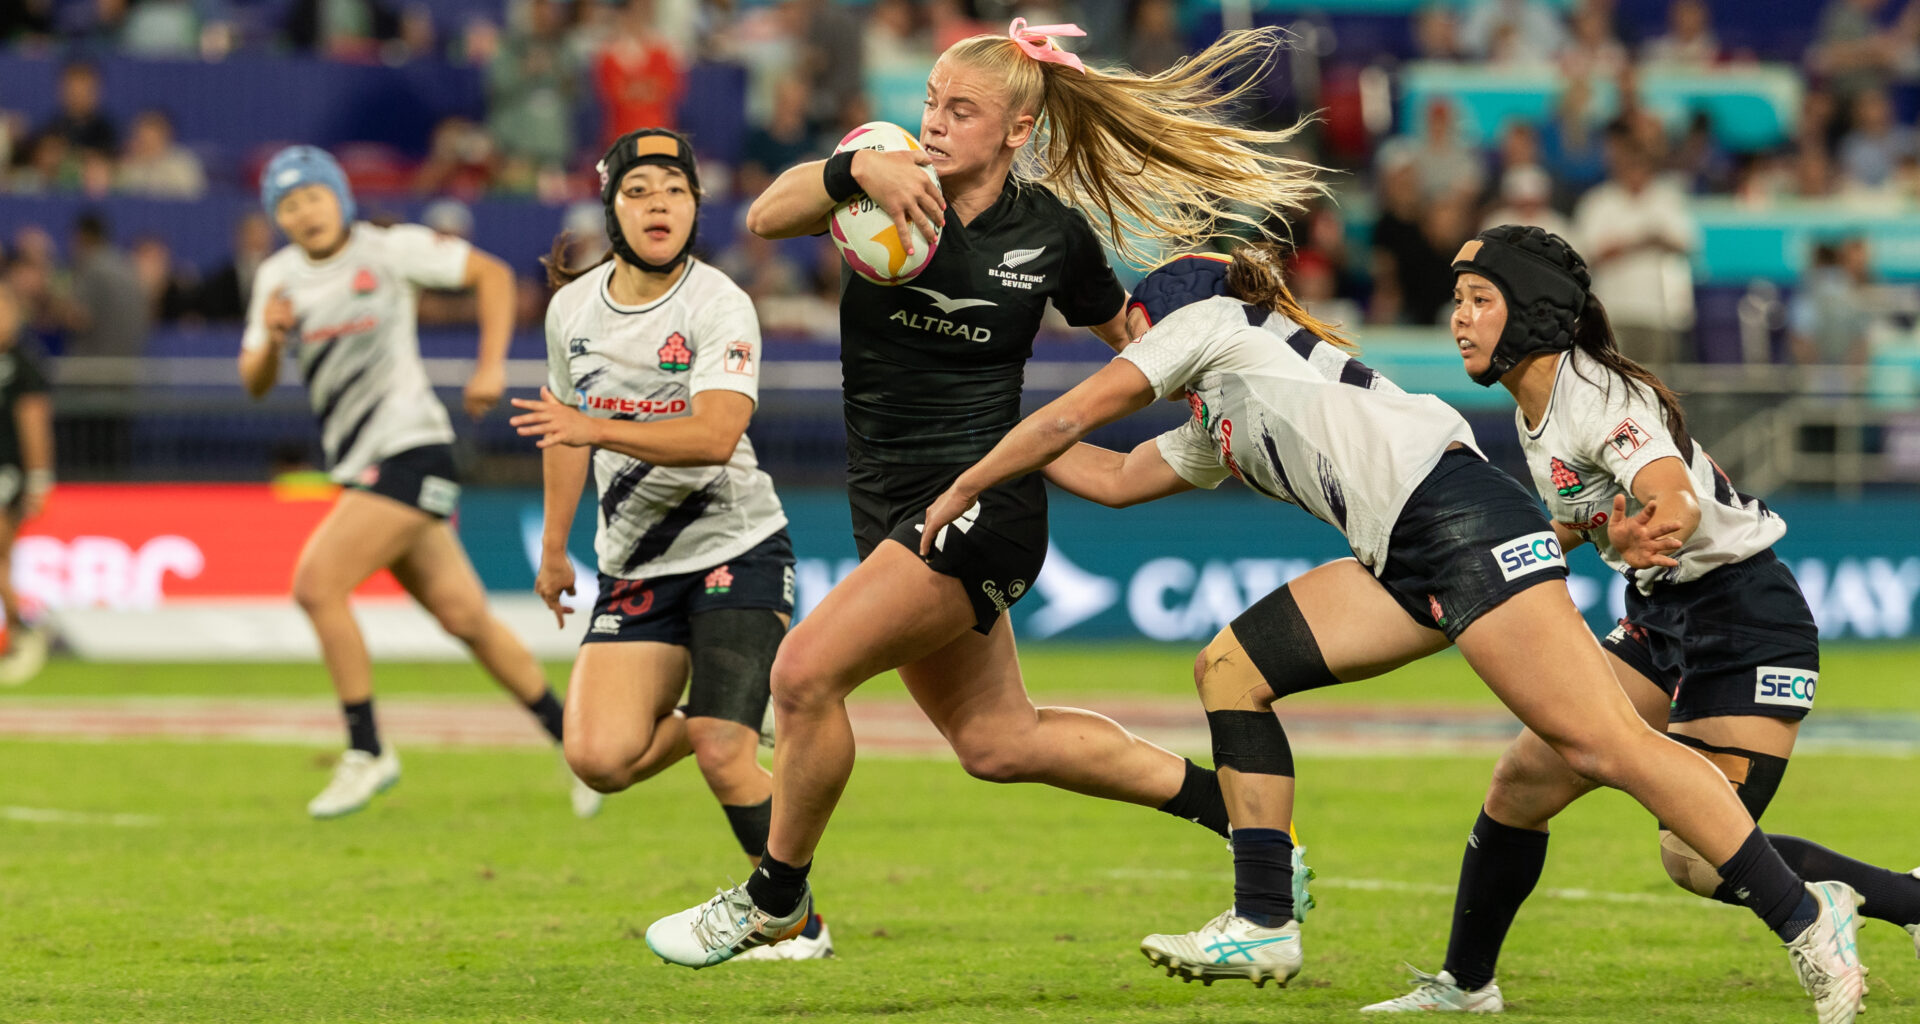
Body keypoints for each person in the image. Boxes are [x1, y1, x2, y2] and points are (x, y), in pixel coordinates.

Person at [914, 241, 1872, 1021]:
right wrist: (992, 438)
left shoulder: (1210, 323)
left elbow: (1087, 409)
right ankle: (1265, 920)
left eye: (1132, 332)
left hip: (1448, 523)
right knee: (1231, 667)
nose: (1130, 350)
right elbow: (1116, 477)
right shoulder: (1229, 398)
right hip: (1407, 546)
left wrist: (970, 475)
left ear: (1161, 316)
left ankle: (1805, 919)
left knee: (1606, 744)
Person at [645, 20, 1329, 967]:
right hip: (890, 505)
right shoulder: (877, 180)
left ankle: (776, 899)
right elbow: (764, 216)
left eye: (960, 111)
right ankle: (1247, 822)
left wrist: (1248, 388)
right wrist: (855, 173)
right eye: (930, 101)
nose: (934, 123)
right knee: (998, 743)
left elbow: (1140, 346)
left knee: (802, 675)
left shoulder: (1050, 233)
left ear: (1016, 130)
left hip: (982, 507)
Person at [1362, 224, 1920, 1013]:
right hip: (1660, 617)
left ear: (1530, 314)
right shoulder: (1537, 404)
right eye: (1458, 301)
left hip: (1744, 614)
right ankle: (1466, 985)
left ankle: (1887, 903)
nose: (1459, 318)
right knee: (1521, 782)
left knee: (1695, 857)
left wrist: (1656, 523)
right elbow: (1581, 514)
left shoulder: (1597, 396)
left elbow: (1670, 490)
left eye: (1480, 300)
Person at [509, 129, 832, 960]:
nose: (660, 204)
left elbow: (718, 434)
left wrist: (594, 422)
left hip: (740, 547)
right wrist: (554, 551)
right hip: (634, 566)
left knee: (725, 755)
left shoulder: (719, 301)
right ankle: (724, 708)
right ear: (612, 207)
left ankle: (796, 922)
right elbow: (561, 432)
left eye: (676, 190)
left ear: (695, 205)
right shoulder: (569, 311)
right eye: (640, 189)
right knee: (599, 760)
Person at [238, 145, 599, 821]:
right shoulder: (277, 280)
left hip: (413, 449)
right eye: (288, 205)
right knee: (467, 620)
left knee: (317, 586)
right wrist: (271, 342)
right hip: (364, 468)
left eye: (313, 196)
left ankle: (367, 749)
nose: (304, 212)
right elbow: (254, 383)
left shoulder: (387, 249)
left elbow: (491, 275)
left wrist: (489, 367)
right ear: (277, 218)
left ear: (338, 196)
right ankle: (577, 745)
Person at [0, 283, 52, 685]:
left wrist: (38, 477)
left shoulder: (22, 363)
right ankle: (21, 626)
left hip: (8, 471)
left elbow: (34, 422)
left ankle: (23, 626)